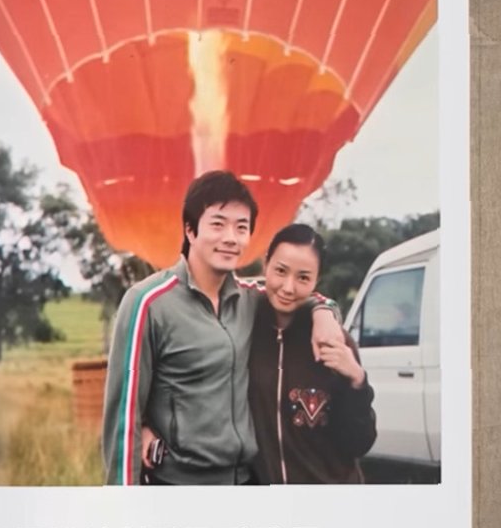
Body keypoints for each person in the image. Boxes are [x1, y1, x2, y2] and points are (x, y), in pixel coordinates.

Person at [101, 171, 345, 485]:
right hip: (178, 487)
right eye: (218, 224)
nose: (231, 238)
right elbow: (124, 416)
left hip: (246, 483)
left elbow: (301, 295)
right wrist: (123, 502)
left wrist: (324, 313)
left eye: (241, 227)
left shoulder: (251, 299)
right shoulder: (148, 303)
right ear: (190, 230)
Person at [248, 224, 377, 484]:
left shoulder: (334, 341)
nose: (288, 287)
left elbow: (359, 443)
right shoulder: (244, 327)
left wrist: (357, 382)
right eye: (280, 271)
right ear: (266, 265)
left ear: (317, 281)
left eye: (303, 278)